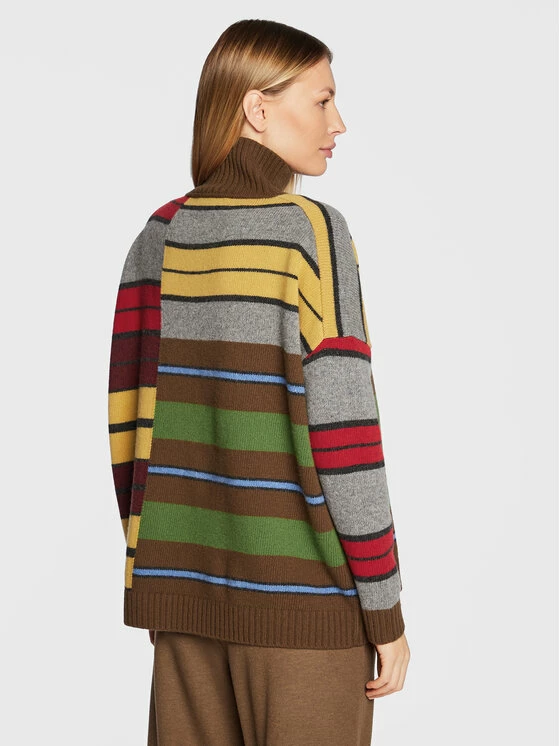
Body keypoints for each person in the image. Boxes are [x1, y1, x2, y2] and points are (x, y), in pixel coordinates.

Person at [108, 18, 410, 746]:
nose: (339, 123)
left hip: (182, 603)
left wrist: (157, 577)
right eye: (322, 100)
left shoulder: (161, 233)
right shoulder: (311, 233)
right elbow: (345, 435)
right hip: (305, 612)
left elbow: (130, 427)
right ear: (258, 108)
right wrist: (385, 611)